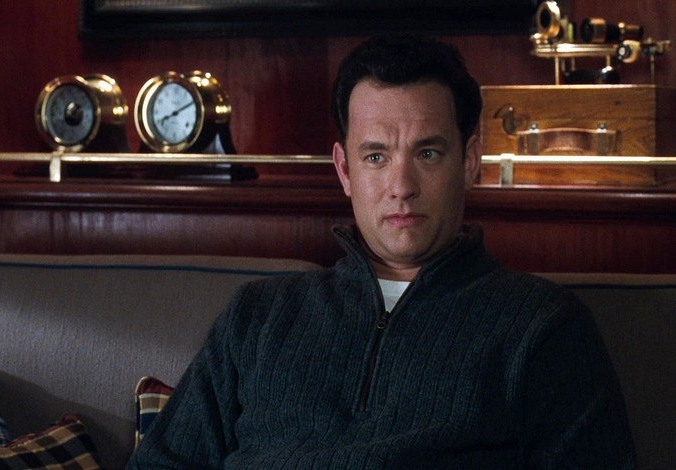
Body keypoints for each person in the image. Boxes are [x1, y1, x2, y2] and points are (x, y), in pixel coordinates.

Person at [127, 33, 636, 469]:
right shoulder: (257, 317)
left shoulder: (543, 328)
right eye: (376, 156)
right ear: (344, 170)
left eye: (427, 153)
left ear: (469, 162)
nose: (401, 186)